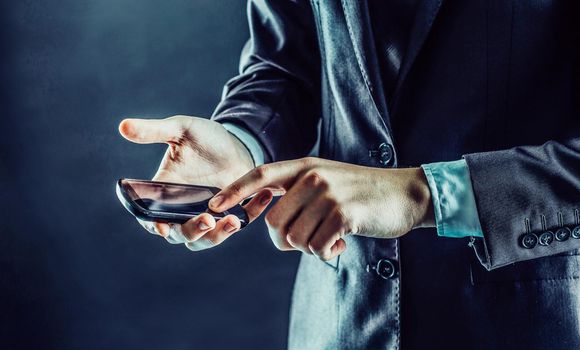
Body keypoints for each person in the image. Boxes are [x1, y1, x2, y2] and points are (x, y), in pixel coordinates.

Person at [119, 1, 580, 349]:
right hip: (335, 323)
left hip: (532, 322)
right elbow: (285, 61)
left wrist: (423, 195)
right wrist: (241, 142)